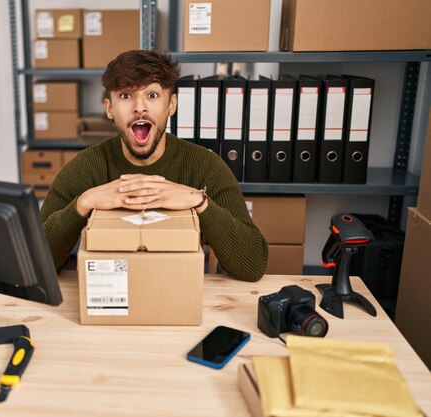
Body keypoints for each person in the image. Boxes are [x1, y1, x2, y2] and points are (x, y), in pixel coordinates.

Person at [40, 50, 268, 282]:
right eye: (126, 96)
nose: (140, 108)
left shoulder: (205, 166)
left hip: (177, 294)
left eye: (152, 95)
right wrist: (83, 203)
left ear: (171, 104)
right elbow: (37, 263)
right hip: (111, 299)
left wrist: (199, 202)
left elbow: (253, 264)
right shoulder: (85, 168)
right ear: (109, 108)